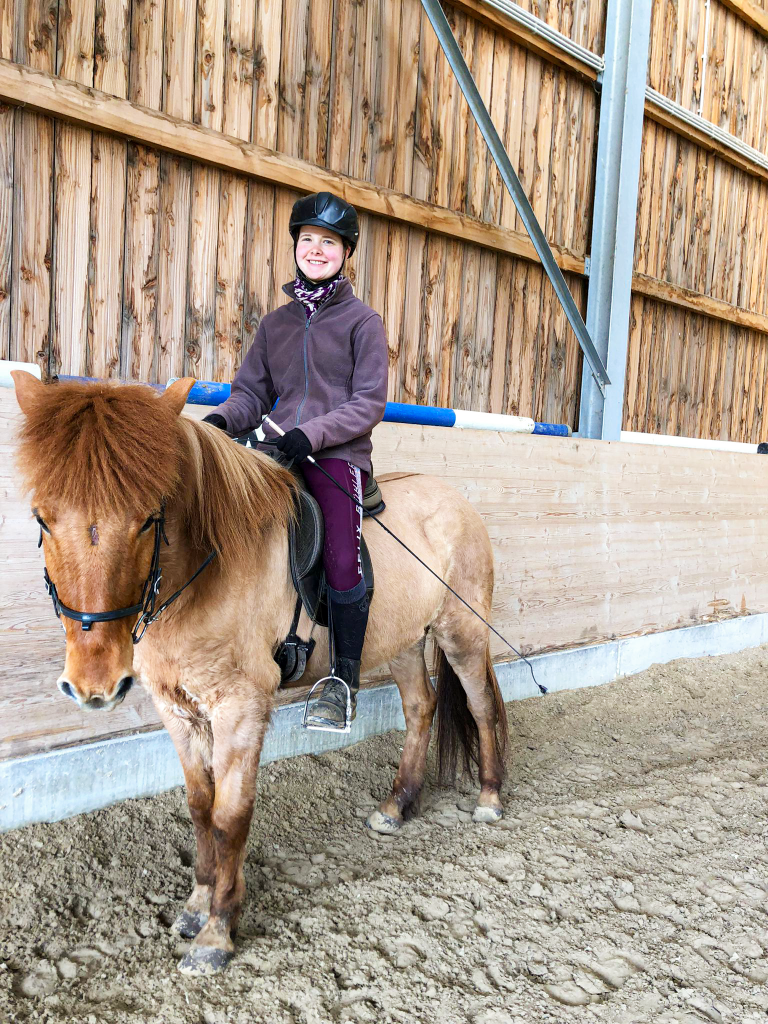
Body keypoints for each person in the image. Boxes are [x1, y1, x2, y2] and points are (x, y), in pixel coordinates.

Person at [203, 191, 389, 729]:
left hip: (334, 455)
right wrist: (221, 424)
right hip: (275, 447)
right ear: (296, 248)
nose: (315, 249)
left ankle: (341, 682)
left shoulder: (363, 322)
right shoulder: (275, 325)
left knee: (339, 558)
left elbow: (368, 403)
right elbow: (249, 397)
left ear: (345, 252)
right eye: (307, 240)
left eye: (328, 242)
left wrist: (312, 434)